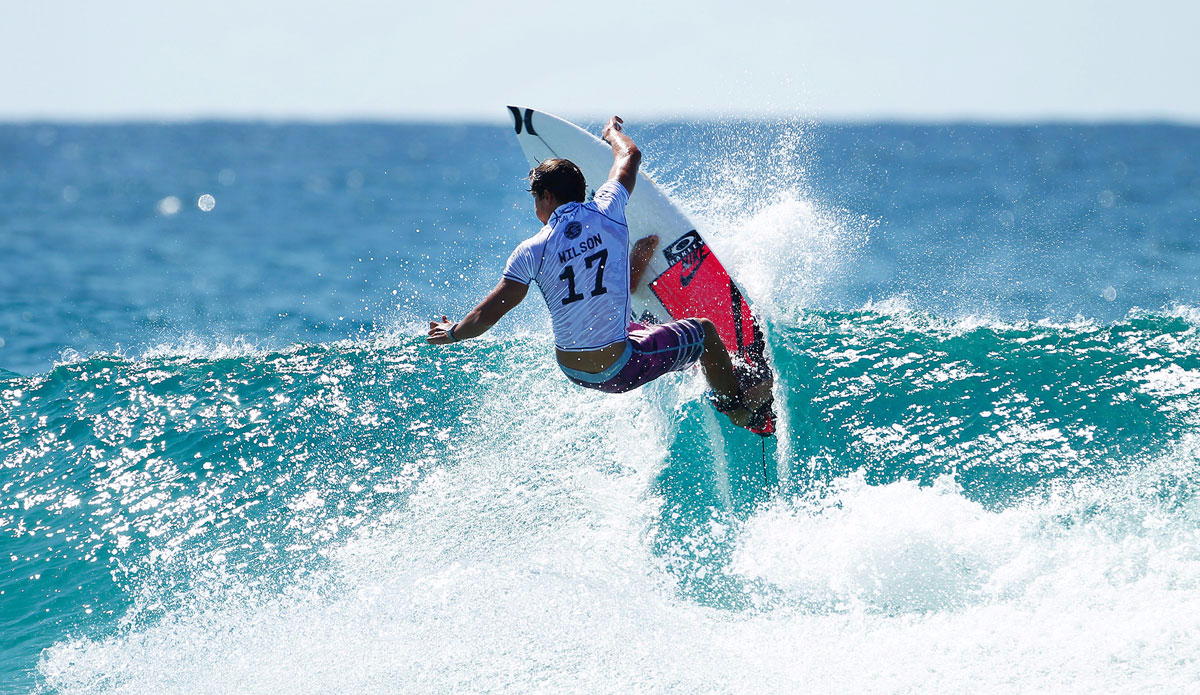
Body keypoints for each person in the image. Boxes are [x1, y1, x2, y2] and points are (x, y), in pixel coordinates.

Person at [426, 116, 771, 430]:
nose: (536, 207)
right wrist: (611, 134)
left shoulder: (530, 251)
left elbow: (488, 314)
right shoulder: (608, 208)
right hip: (620, 366)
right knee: (705, 331)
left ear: (547, 197)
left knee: (628, 316)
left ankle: (633, 277)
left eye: (535, 199)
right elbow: (630, 156)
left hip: (574, 369)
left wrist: (454, 333)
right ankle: (736, 407)